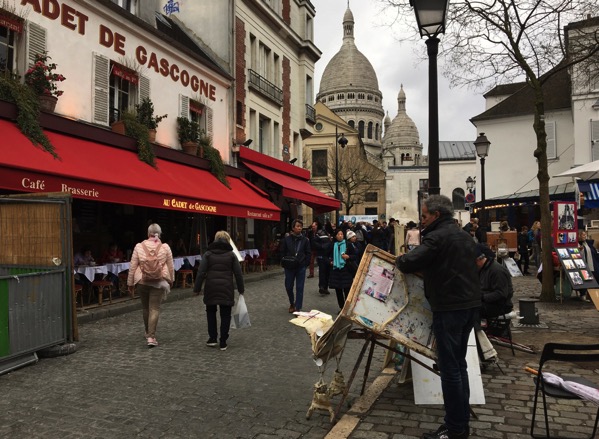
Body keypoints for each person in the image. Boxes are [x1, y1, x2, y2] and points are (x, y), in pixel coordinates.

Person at [395, 195, 479, 439]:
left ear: (436, 215)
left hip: (450, 307)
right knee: (459, 366)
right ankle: (460, 425)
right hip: (469, 305)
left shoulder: (438, 236)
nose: (422, 221)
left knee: (450, 369)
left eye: (424, 216)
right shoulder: (464, 234)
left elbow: (409, 261)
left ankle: (454, 429)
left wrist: (401, 259)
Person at [193, 230, 245, 351]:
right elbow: (238, 274)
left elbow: (201, 272)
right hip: (226, 287)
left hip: (211, 286)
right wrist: (241, 289)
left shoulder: (208, 254)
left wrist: (197, 288)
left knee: (210, 312)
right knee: (225, 314)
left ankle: (212, 338)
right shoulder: (231, 255)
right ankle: (223, 341)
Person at [127, 223, 175, 348]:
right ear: (160, 233)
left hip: (142, 281)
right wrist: (172, 280)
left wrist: (130, 283)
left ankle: (147, 332)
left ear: (148, 234)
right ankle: (151, 337)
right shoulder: (165, 247)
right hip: (158, 282)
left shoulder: (139, 246)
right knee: (154, 308)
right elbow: (171, 266)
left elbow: (132, 266)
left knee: (145, 308)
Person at [280, 219, 311, 313]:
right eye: (297, 226)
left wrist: (306, 263)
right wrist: (284, 261)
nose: (299, 228)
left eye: (300, 226)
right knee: (288, 286)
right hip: (289, 267)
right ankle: (292, 303)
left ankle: (298, 307)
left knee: (300, 287)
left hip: (301, 267)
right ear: (293, 228)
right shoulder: (287, 239)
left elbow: (308, 252)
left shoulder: (305, 240)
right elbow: (282, 252)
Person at [475, 244, 514, 318]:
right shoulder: (482, 269)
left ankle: (478, 329)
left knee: (472, 310)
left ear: (478, 260)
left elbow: (501, 294)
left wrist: (481, 297)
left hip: (500, 305)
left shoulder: (497, 270)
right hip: (489, 302)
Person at [328, 229, 360, 311]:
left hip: (346, 270)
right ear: (335, 236)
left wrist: (348, 256)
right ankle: (342, 308)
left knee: (347, 290)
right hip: (336, 270)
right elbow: (327, 256)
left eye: (342, 234)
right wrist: (330, 261)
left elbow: (355, 256)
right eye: (338, 234)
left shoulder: (348, 244)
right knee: (338, 291)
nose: (340, 236)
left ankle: (347, 308)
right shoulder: (332, 245)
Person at [577, 230, 599, 302]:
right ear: (579, 236)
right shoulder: (578, 244)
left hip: (592, 264)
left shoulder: (588, 243)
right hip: (583, 264)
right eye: (583, 235)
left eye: (585, 235)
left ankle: (595, 295)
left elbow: (593, 253)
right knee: (585, 279)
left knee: (596, 278)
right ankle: (583, 294)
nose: (585, 236)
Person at [311, 227, 332, 295]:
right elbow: (314, 243)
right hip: (324, 256)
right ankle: (323, 287)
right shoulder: (322, 235)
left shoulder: (320, 235)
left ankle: (324, 287)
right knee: (324, 272)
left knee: (324, 272)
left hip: (324, 256)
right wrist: (321, 247)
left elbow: (313, 242)